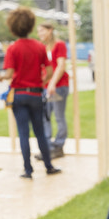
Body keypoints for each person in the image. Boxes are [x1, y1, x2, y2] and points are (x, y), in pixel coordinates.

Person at [0, 7, 63, 179]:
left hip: (18, 95)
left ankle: (28, 170)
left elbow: (9, 74)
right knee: (40, 132)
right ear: (31, 25)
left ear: (12, 27)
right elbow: (49, 72)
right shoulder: (40, 47)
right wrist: (38, 83)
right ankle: (49, 166)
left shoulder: (12, 49)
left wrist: (1, 76)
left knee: (23, 133)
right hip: (35, 95)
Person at [37, 20, 68, 159]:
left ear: (50, 30)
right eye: (38, 31)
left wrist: (52, 83)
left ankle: (59, 146)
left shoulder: (59, 45)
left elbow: (61, 66)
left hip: (59, 86)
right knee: (45, 118)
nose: (40, 34)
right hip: (46, 88)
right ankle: (48, 148)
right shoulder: (43, 47)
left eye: (42, 30)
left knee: (59, 117)